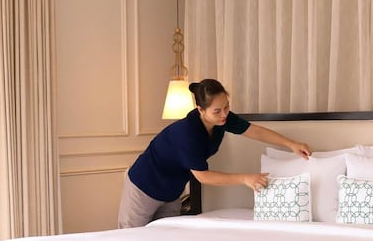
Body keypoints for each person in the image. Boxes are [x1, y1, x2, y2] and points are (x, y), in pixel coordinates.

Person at [117, 78, 312, 228]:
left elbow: (255, 131)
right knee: (130, 239)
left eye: (227, 107)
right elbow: (204, 176)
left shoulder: (222, 120)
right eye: (217, 111)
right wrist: (245, 178)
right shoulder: (187, 133)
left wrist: (291, 144)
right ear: (200, 109)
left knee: (166, 240)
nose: (224, 114)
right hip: (143, 187)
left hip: (171, 190)